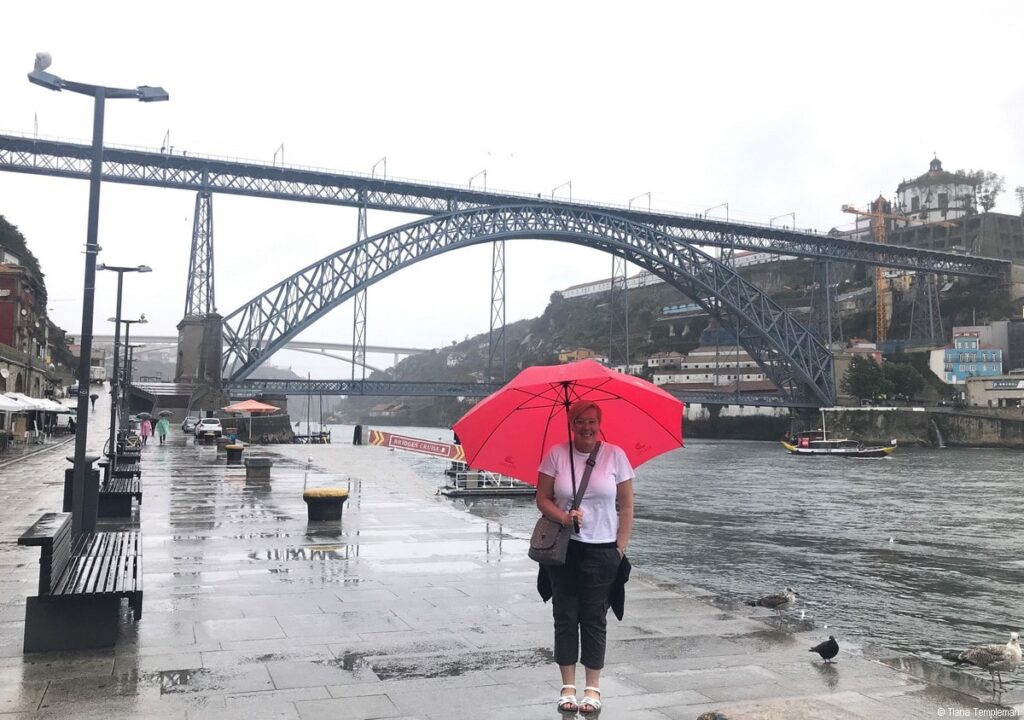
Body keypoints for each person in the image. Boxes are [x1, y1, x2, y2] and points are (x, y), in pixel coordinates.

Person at [535, 400, 634, 715]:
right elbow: (541, 498)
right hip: (565, 550)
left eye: (592, 421)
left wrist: (621, 546)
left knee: (594, 618)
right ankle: (567, 687)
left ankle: (593, 688)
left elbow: (628, 506)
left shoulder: (615, 455)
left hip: (603, 549)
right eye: (580, 421)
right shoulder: (556, 455)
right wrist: (564, 517)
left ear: (599, 422)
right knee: (565, 616)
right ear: (571, 423)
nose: (587, 427)